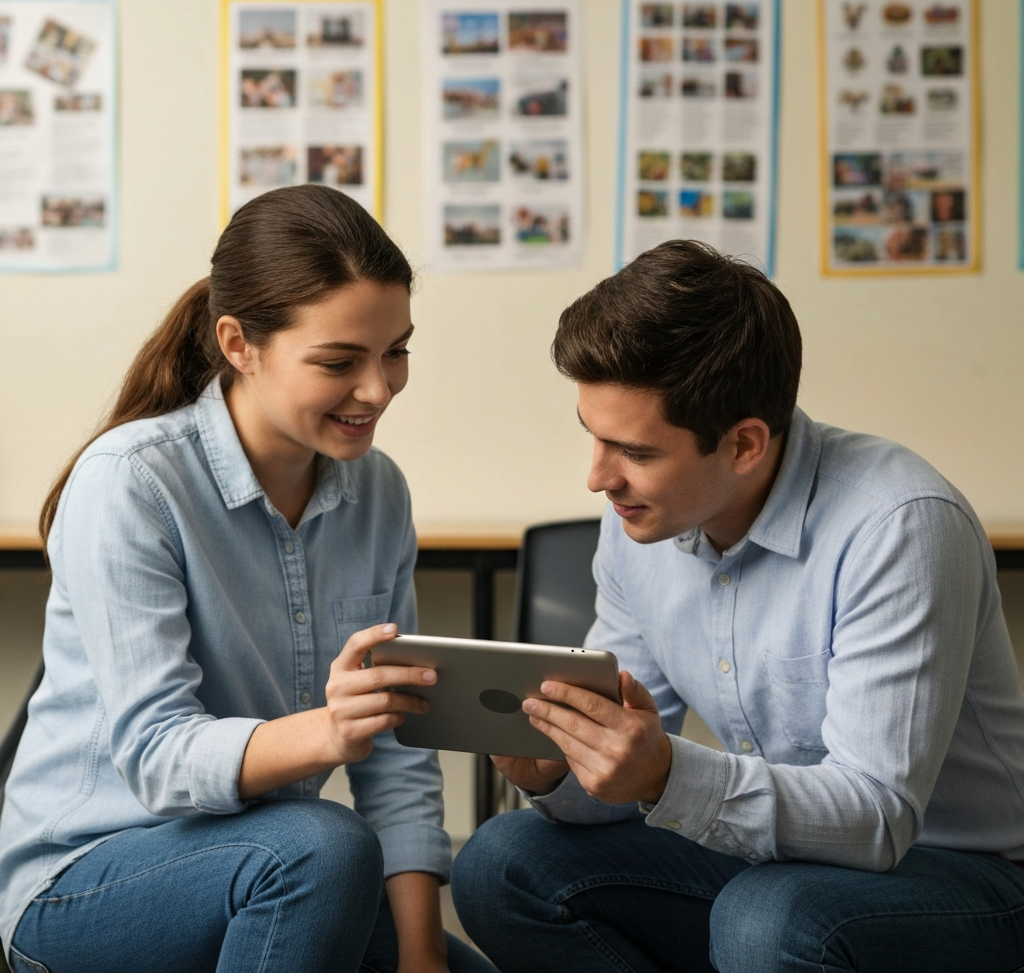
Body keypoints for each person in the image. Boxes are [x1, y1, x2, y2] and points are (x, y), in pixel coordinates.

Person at [451, 240, 1024, 972]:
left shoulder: (900, 524)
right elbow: (626, 770)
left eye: (635, 451)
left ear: (745, 444)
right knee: (501, 862)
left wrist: (664, 775)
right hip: (779, 862)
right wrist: (558, 771)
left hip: (963, 874)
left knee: (769, 919)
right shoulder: (636, 527)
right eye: (593, 437)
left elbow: (879, 819)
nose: (598, 478)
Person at [0, 185, 496, 973]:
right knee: (326, 846)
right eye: (339, 361)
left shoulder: (379, 493)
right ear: (239, 344)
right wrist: (328, 731)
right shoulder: (131, 483)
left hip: (270, 867)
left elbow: (397, 751)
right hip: (82, 883)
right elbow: (160, 758)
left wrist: (421, 952)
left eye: (395, 351)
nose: (377, 389)